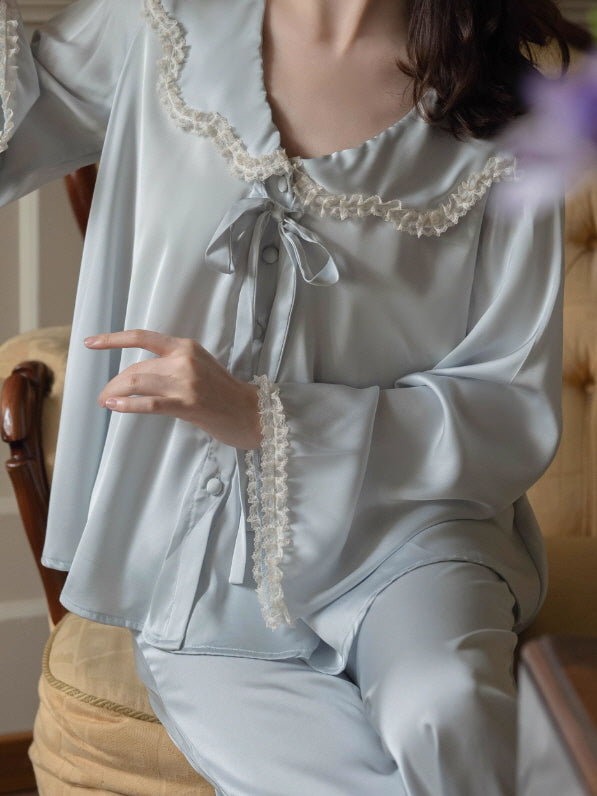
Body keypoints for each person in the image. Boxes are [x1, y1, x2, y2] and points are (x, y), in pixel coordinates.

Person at [0, 0, 587, 793]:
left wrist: (264, 419)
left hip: (415, 529)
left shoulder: (513, 92)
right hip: (206, 548)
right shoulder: (163, 22)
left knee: (444, 708)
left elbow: (508, 404)